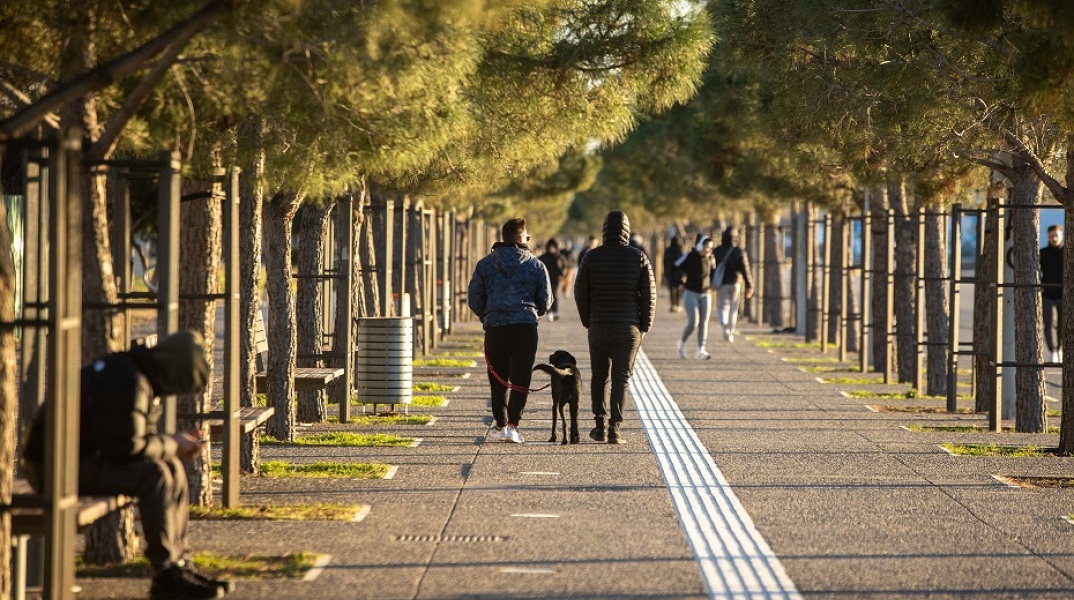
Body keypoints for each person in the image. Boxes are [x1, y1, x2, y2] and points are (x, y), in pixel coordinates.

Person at [21, 331, 232, 600]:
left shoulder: (133, 371)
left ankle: (178, 563)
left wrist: (171, 446)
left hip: (72, 461)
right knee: (155, 475)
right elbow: (125, 448)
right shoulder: (128, 381)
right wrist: (173, 444)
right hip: (53, 470)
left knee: (172, 468)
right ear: (171, 371)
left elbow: (128, 441)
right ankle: (166, 573)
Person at [467, 217, 553, 444]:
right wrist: (534, 312)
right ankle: (514, 426)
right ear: (521, 238)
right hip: (525, 327)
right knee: (520, 378)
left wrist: (486, 316)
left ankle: (500, 423)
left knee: (498, 379)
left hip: (495, 329)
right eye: (528, 237)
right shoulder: (536, 265)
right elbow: (546, 301)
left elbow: (474, 297)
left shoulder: (485, 264)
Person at [574, 211, 656, 444]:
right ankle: (615, 429)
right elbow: (649, 295)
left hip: (598, 325)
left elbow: (580, 291)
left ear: (604, 230)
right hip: (628, 327)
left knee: (599, 376)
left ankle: (599, 425)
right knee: (621, 377)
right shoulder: (638, 257)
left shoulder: (591, 257)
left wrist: (587, 320)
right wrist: (644, 326)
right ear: (627, 231)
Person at [674, 235, 716, 359]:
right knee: (693, 322)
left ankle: (701, 349)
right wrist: (679, 283)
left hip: (706, 294)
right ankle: (682, 343)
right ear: (699, 245)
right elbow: (674, 268)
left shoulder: (711, 258)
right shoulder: (689, 256)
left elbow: (714, 273)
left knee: (704, 322)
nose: (708, 250)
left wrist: (712, 285)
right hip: (691, 293)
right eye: (706, 247)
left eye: (710, 248)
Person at [712, 226, 755, 343]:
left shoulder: (716, 251)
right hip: (736, 282)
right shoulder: (739, 251)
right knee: (734, 308)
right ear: (735, 238)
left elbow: (711, 268)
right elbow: (745, 269)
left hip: (721, 283)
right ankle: (730, 331)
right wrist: (749, 285)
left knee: (722, 306)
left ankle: (724, 325)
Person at [1041, 224, 1064, 363]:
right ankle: (1052, 350)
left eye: (1056, 235)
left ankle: (1060, 348)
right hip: (1048, 293)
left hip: (1064, 294)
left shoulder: (1067, 252)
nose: (1054, 238)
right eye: (1051, 236)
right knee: (1049, 323)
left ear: (1061, 235)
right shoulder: (1043, 253)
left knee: (1063, 324)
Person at [538, 238, 568, 321]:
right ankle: (549, 312)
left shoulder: (560, 257)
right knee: (546, 296)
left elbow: (565, 266)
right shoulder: (543, 257)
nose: (552, 249)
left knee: (555, 295)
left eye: (553, 247)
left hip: (557, 279)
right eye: (550, 247)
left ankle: (555, 312)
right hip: (546, 280)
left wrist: (562, 274)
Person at [663, 236, 686, 312]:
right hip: (678, 273)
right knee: (678, 289)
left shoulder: (668, 251)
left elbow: (665, 262)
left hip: (670, 272)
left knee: (671, 289)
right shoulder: (679, 251)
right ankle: (678, 305)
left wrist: (665, 271)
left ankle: (673, 305)